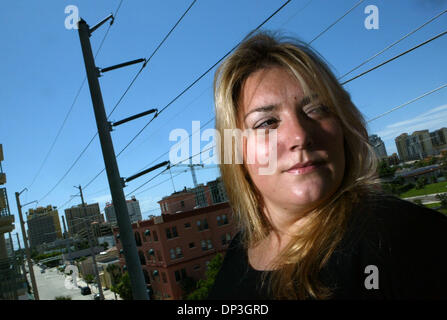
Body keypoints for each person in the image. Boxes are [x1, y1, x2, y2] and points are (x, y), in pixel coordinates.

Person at [207, 30, 447, 300]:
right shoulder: (240, 249)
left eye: (317, 109)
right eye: (267, 122)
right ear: (237, 151)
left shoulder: (404, 238)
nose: (300, 136)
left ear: (343, 127)